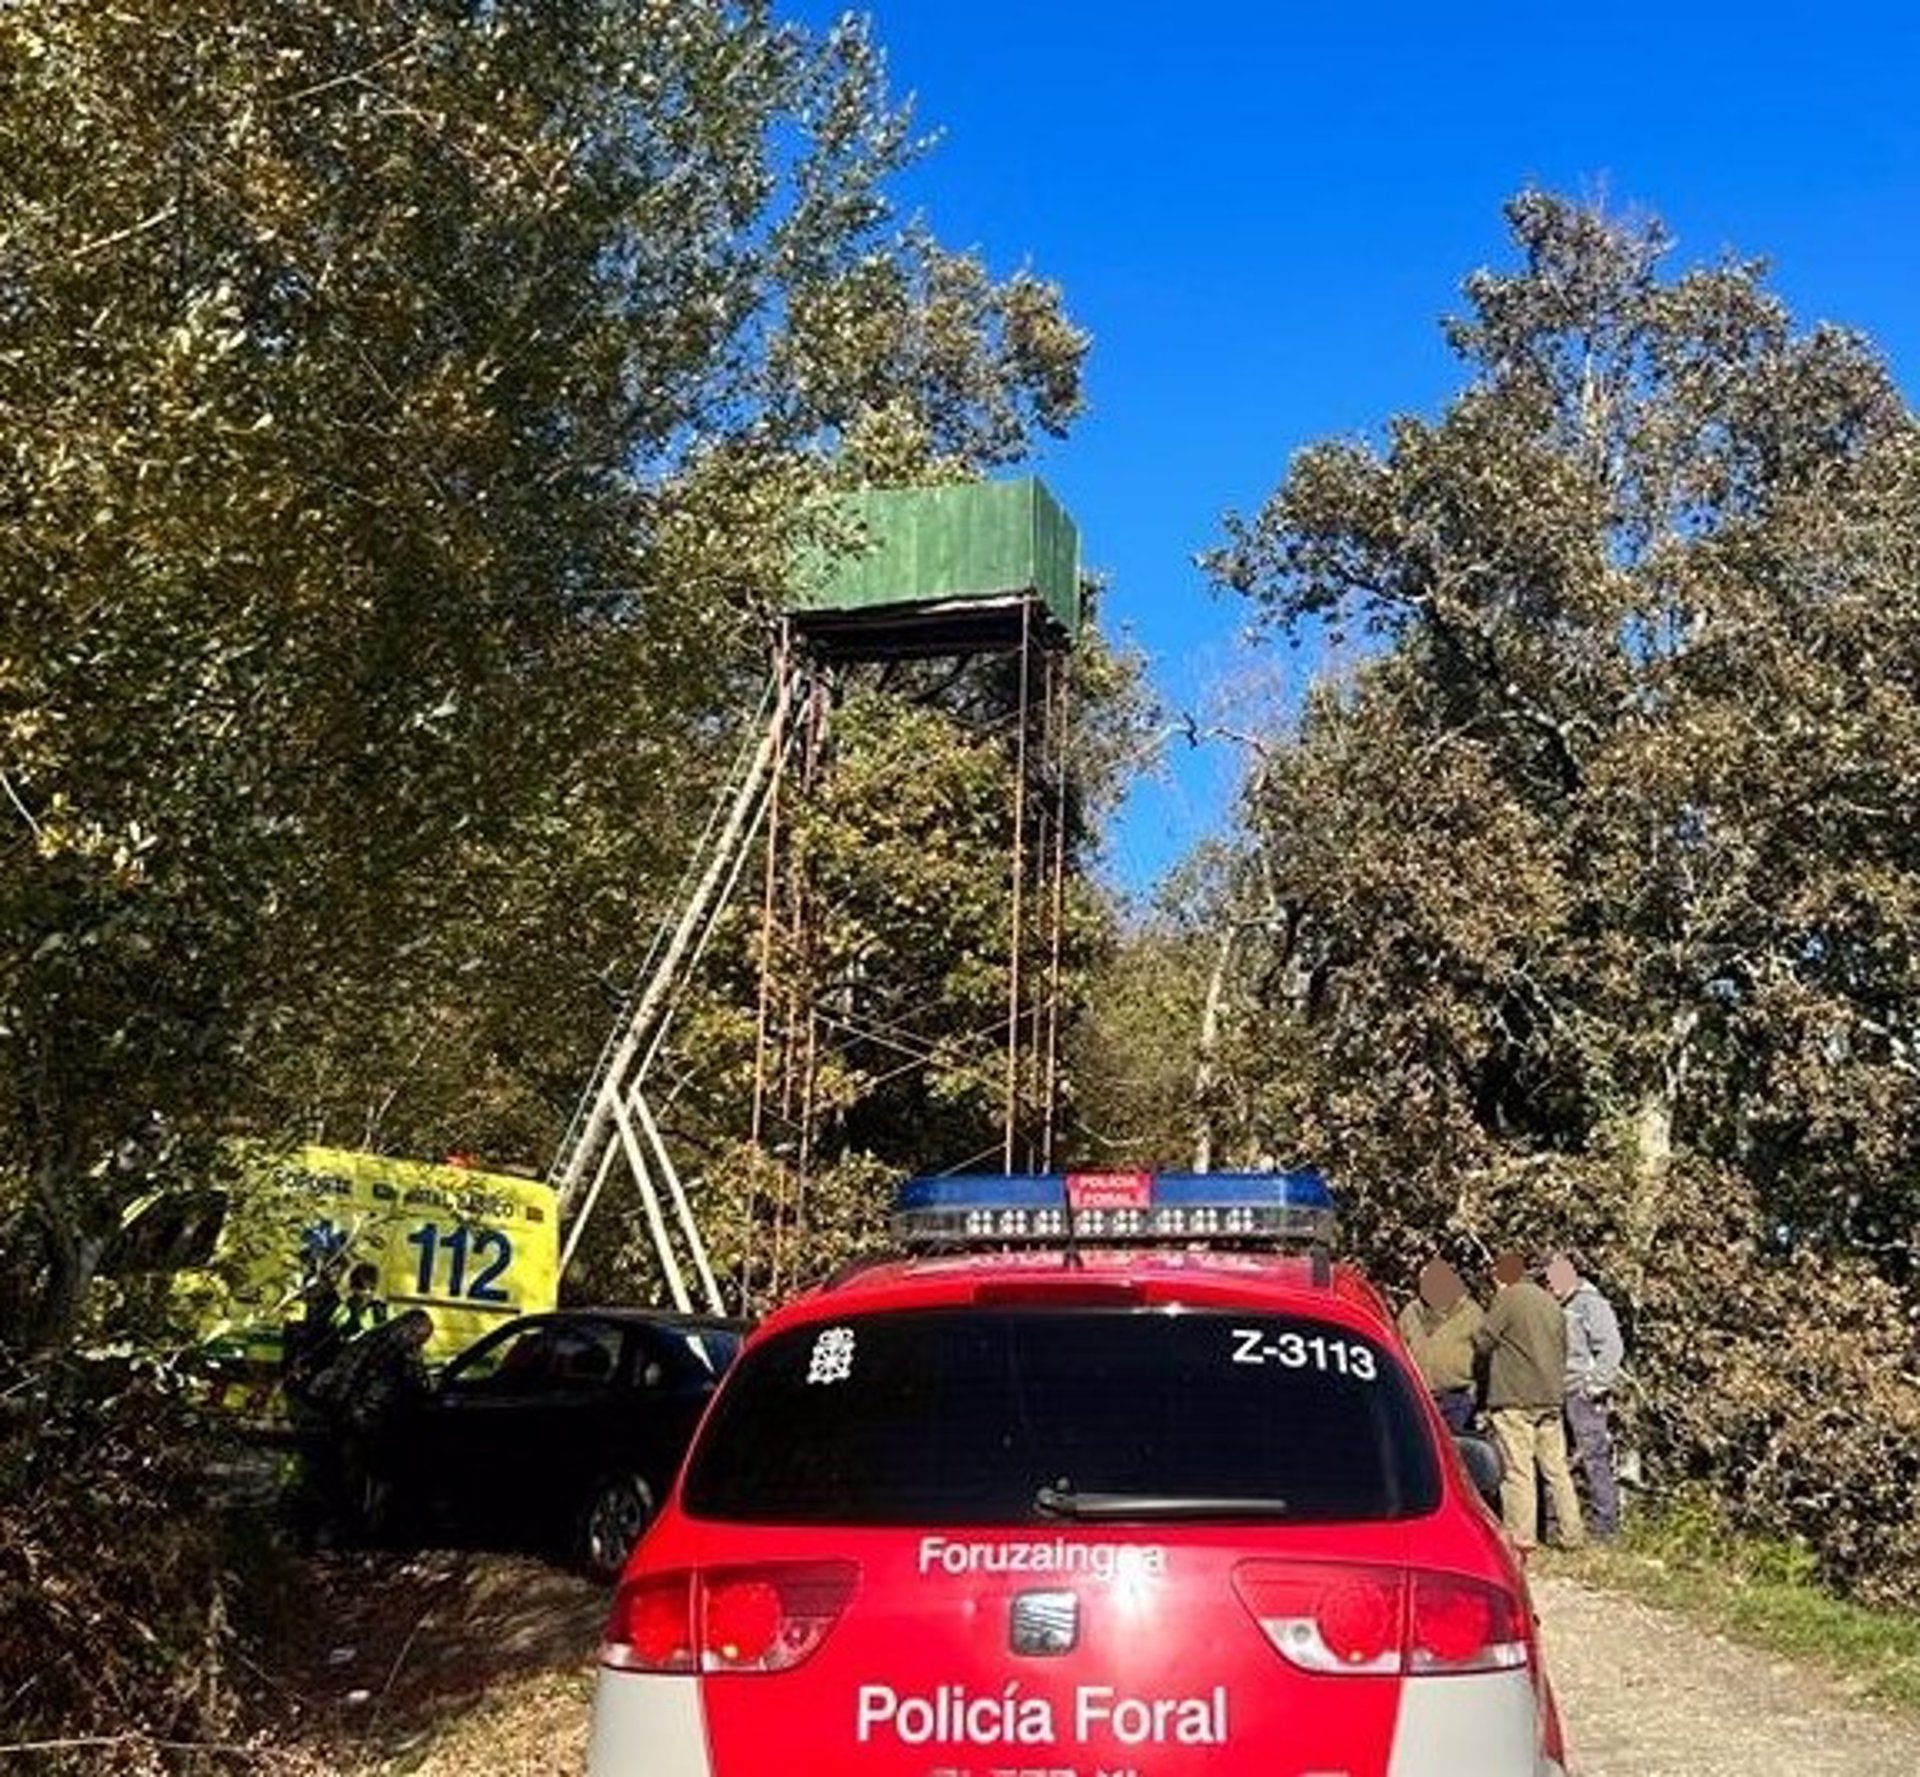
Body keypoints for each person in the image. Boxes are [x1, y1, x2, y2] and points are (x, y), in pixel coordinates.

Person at [1472, 1249, 1583, 1555]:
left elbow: (1483, 1341)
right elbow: (1564, 1348)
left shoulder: (1508, 1299)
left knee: (1518, 1469)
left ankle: (1521, 1538)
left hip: (1515, 1397)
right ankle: (1572, 1534)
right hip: (1550, 1397)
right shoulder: (1552, 1303)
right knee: (1556, 1469)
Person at [308, 1308, 435, 1542]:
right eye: (424, 1338)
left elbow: (346, 1372)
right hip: (368, 1416)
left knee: (344, 1470)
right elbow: (418, 1384)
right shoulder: (403, 1346)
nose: (422, 1344)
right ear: (417, 1332)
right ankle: (363, 1527)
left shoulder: (375, 1336)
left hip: (346, 1410)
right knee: (374, 1471)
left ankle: (335, 1525)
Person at [1544, 1251, 1625, 1540]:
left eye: (1555, 1279)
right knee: (1556, 1459)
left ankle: (1606, 1528)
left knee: (1594, 1458)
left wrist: (1594, 1386)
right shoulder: (1557, 1306)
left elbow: (1612, 1349)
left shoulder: (1592, 1305)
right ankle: (1555, 1526)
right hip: (1558, 1390)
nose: (1551, 1285)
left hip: (1583, 1394)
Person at [1396, 1257, 1483, 1433]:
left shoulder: (1471, 1313)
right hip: (1419, 1397)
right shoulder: (1410, 1312)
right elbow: (1397, 1348)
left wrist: (1479, 1394)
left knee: (1454, 1450)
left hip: (1457, 1398)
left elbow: (1485, 1354)